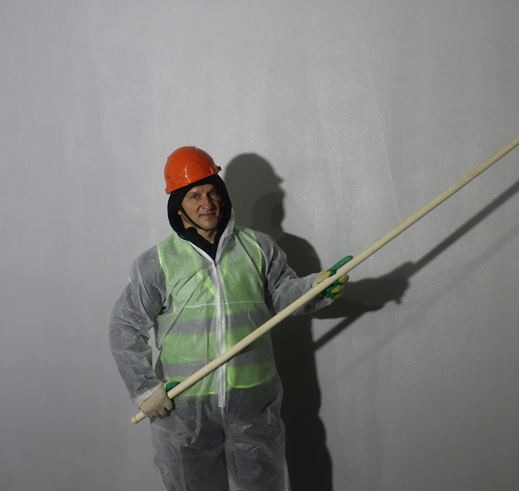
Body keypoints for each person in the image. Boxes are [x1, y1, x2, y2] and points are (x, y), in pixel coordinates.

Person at [109, 146, 349, 491]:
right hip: (185, 408)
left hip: (252, 403)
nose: (207, 203)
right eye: (194, 196)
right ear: (178, 206)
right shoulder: (158, 262)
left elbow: (282, 296)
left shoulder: (257, 247)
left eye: (212, 192)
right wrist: (145, 389)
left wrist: (315, 288)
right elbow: (125, 326)